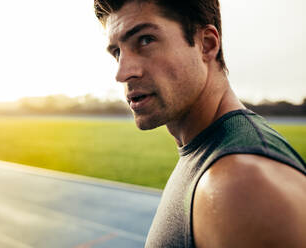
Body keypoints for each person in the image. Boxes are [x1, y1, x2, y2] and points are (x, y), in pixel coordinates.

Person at [94, 0, 306, 247]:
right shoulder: (207, 154)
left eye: (145, 40)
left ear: (206, 45)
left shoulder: (241, 185)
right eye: (117, 52)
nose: (122, 73)